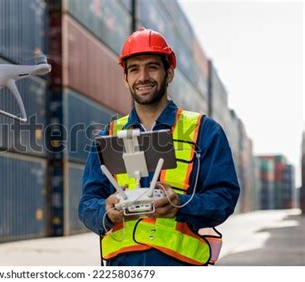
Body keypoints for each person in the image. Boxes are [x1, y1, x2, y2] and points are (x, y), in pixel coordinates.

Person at [78, 28, 240, 266]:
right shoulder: (110, 134)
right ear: (125, 78)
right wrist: (105, 211)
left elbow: (224, 198)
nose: (143, 76)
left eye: (152, 67)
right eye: (134, 69)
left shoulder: (203, 130)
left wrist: (180, 205)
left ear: (169, 73)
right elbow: (88, 201)